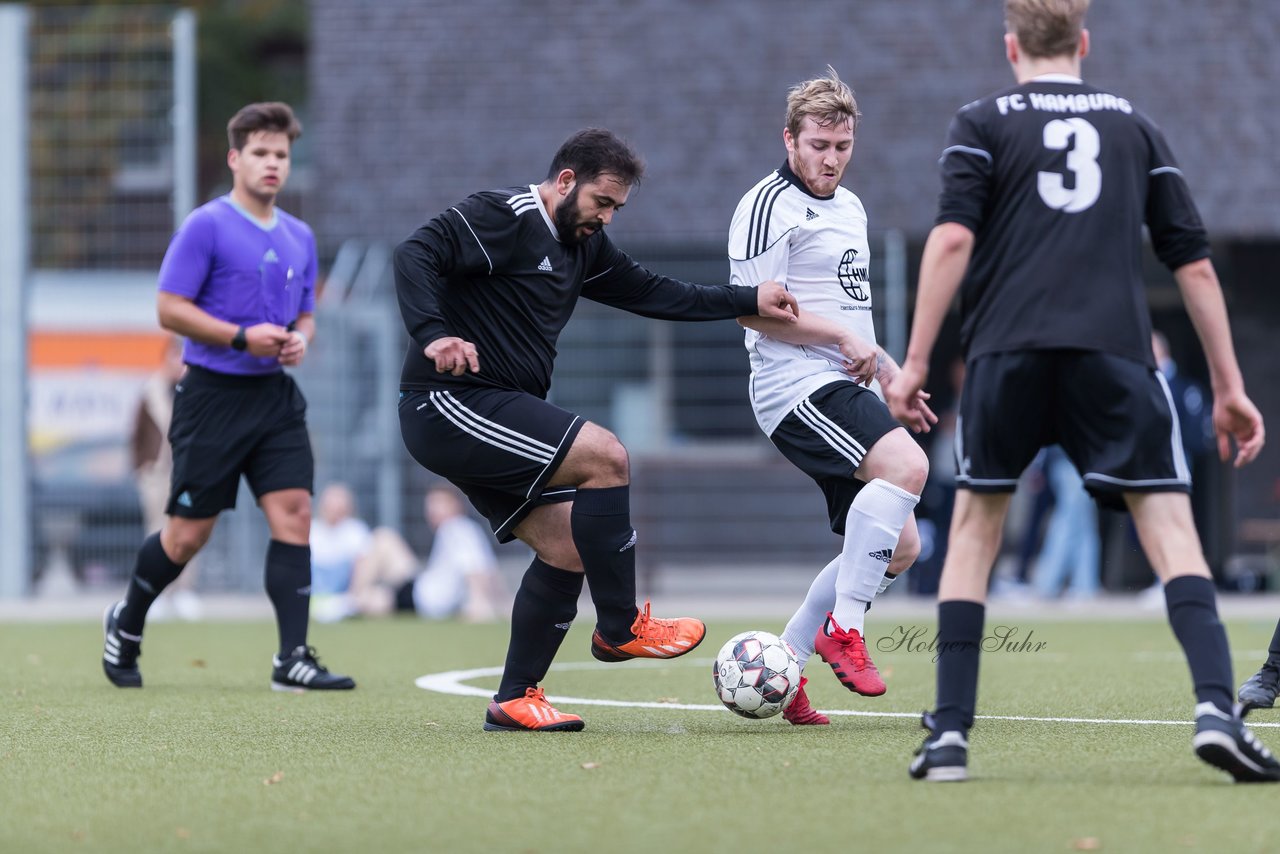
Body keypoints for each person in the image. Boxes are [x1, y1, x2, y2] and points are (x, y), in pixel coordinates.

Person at [886, 0, 1277, 783]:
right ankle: (1214, 710)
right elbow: (1193, 264)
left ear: (1010, 48)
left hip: (1007, 352)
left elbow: (954, 238)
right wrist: (1230, 387)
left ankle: (951, 736)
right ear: (1084, 42)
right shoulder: (1134, 125)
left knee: (974, 533)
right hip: (1115, 355)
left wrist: (918, 359)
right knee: (1172, 534)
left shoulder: (982, 120)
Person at [393, 127, 800, 732]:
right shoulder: (501, 216)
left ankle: (514, 698)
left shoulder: (584, 247)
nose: (606, 217)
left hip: (493, 410)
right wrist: (433, 334)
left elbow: (657, 292)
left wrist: (748, 298)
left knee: (569, 545)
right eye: (601, 202)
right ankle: (619, 628)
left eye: (616, 208)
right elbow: (414, 254)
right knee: (606, 456)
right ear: (565, 182)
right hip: (448, 401)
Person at [101, 102, 355, 692]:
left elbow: (308, 314)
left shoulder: (300, 235)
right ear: (235, 158)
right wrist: (241, 336)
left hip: (274, 399)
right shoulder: (206, 225)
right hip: (211, 398)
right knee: (189, 534)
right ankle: (128, 620)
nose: (272, 164)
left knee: (294, 514)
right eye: (261, 153)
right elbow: (169, 308)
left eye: (282, 155)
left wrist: (299, 341)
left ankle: (292, 658)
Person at [727, 68, 936, 726]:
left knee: (902, 549)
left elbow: (855, 316)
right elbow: (752, 313)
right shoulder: (765, 205)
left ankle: (786, 669)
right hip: (794, 385)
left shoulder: (851, 208)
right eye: (818, 144)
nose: (830, 158)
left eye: (841, 147)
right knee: (909, 468)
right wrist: (843, 339)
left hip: (844, 382)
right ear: (789, 139)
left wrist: (893, 375)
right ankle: (844, 629)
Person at [343, 484, 510, 622]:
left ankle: (350, 601)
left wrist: (479, 602)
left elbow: (475, 569)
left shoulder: (455, 528)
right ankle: (352, 598)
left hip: (421, 600)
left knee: (370, 599)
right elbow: (486, 568)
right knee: (384, 538)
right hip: (422, 586)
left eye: (439, 504)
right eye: (430, 505)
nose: (432, 510)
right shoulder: (467, 529)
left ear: (456, 505)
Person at [130, 333, 202, 621]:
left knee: (188, 530)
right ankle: (155, 592)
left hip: (187, 472)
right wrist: (143, 467)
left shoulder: (195, 391)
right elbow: (137, 434)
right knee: (156, 531)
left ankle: (184, 591)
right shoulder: (151, 391)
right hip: (157, 474)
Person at [1030, 445, 1100, 601]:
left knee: (1076, 522)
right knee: (1075, 522)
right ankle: (1080, 585)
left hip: (1075, 459)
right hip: (1072, 459)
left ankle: (1058, 584)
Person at [308, 482, 373, 623]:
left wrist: (353, 594)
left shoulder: (355, 530)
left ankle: (347, 605)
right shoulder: (312, 531)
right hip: (317, 596)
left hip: (349, 594)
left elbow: (363, 564)